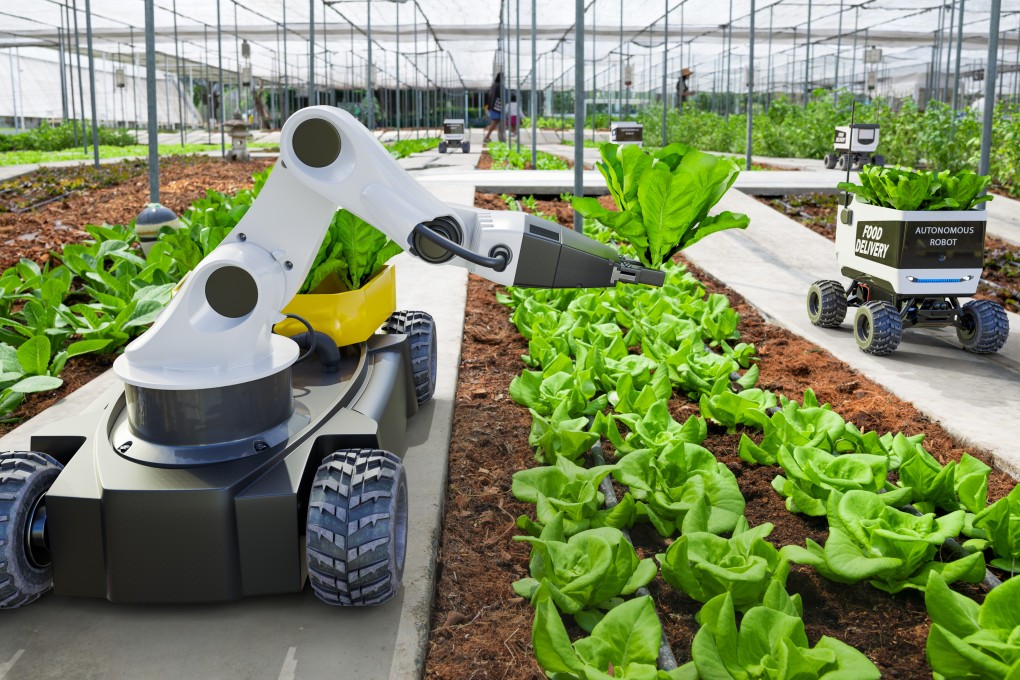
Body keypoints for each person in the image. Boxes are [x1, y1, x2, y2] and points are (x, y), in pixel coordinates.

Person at [483, 73, 504, 143]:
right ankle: (487, 137)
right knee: (496, 122)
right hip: (497, 107)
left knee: (496, 122)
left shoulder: (494, 85)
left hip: (492, 106)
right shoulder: (499, 86)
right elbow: (501, 96)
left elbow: (490, 96)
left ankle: (489, 137)